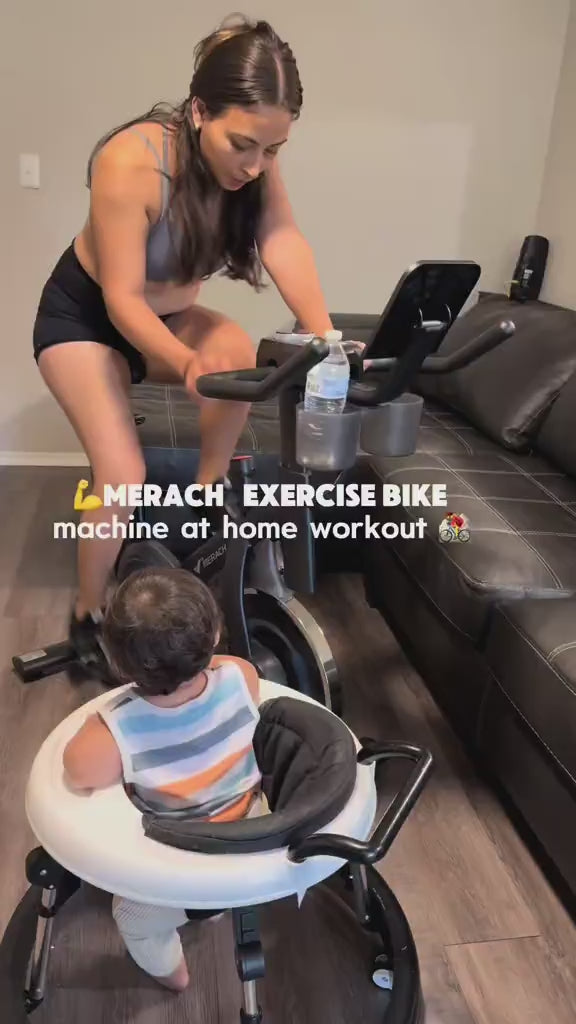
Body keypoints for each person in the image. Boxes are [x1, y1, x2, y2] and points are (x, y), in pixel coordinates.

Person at [33, 14, 333, 672]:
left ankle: (203, 501)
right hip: (83, 321)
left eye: (272, 150)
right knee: (122, 474)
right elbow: (121, 300)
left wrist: (325, 335)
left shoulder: (255, 164)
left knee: (235, 352)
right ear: (199, 111)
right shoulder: (130, 161)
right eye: (243, 145)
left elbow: (281, 238)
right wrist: (184, 363)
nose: (255, 165)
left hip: (166, 318)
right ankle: (88, 614)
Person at [62, 565, 265, 992]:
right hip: (254, 836)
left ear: (115, 661)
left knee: (132, 918)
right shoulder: (241, 675)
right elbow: (220, 672)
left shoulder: (118, 728)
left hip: (178, 865)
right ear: (215, 635)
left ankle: (174, 975)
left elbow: (76, 772)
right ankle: (218, 907)